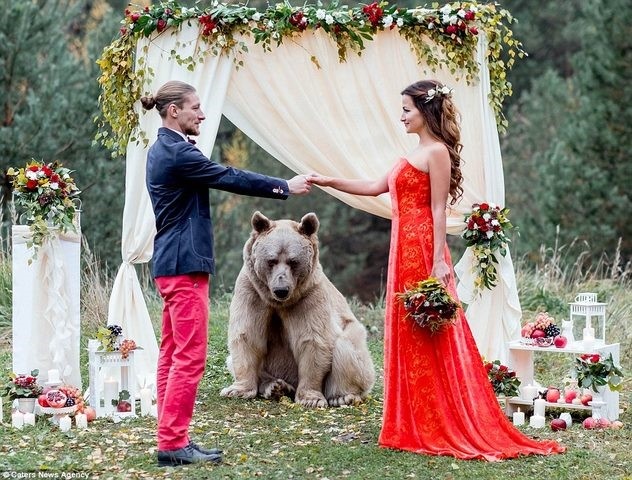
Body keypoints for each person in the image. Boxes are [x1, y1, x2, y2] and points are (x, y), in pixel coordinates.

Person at [310, 80, 565, 461]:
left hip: (422, 246)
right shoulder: (413, 151)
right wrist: (330, 181)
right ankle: (409, 415)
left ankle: (436, 414)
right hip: (401, 246)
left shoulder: (438, 153)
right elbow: (374, 186)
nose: (401, 116)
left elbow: (438, 210)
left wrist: (438, 260)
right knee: (407, 326)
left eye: (407, 110)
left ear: (425, 112)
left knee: (428, 326)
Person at [140, 80, 312, 467]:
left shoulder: (166, 149)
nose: (201, 114)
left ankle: (172, 437)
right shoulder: (177, 154)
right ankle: (171, 443)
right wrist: (284, 186)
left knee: (172, 354)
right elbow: (229, 177)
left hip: (173, 264)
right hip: (183, 266)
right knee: (189, 357)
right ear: (173, 111)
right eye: (195, 107)